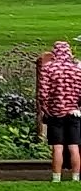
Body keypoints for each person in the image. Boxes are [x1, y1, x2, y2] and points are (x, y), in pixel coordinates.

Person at [36, 39, 81, 183]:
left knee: (57, 147)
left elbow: (42, 93)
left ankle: (56, 177)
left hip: (55, 113)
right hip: (73, 112)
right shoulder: (76, 70)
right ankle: (75, 177)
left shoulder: (48, 69)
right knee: (74, 146)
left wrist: (45, 108)